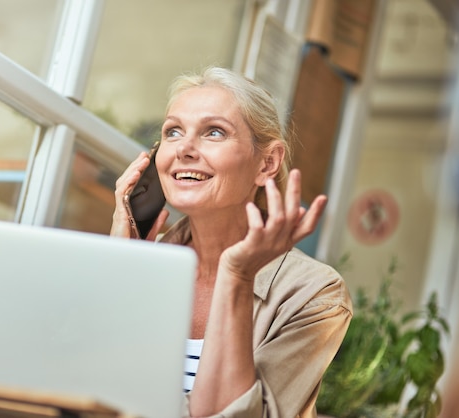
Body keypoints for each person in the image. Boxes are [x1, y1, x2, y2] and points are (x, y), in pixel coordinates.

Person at [111, 66, 352, 418]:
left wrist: (237, 276)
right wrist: (118, 269)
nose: (184, 149)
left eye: (213, 132)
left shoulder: (315, 294)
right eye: (173, 131)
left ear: (267, 163)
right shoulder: (138, 263)